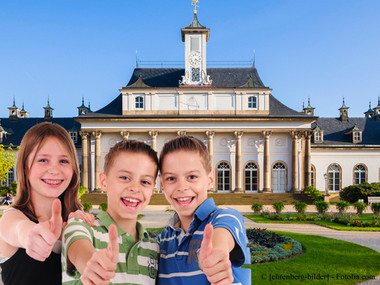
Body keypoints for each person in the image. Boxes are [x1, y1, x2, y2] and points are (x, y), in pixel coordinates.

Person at [62, 139, 160, 285]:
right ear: (104, 182)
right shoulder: (81, 226)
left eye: (145, 182)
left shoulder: (154, 247)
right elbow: (78, 249)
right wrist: (92, 263)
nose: (135, 188)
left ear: (153, 189)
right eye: (125, 178)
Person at [158, 135, 251, 285]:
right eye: (171, 178)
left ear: (209, 180)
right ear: (162, 185)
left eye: (192, 176)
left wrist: (216, 252)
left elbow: (223, 234)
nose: (182, 187)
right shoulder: (164, 239)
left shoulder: (224, 216)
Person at [0, 122, 83, 285]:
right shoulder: (11, 218)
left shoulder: (76, 221)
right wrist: (30, 235)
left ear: (73, 169)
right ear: (25, 168)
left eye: (64, 161)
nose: (54, 170)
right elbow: (18, 229)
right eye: (43, 160)